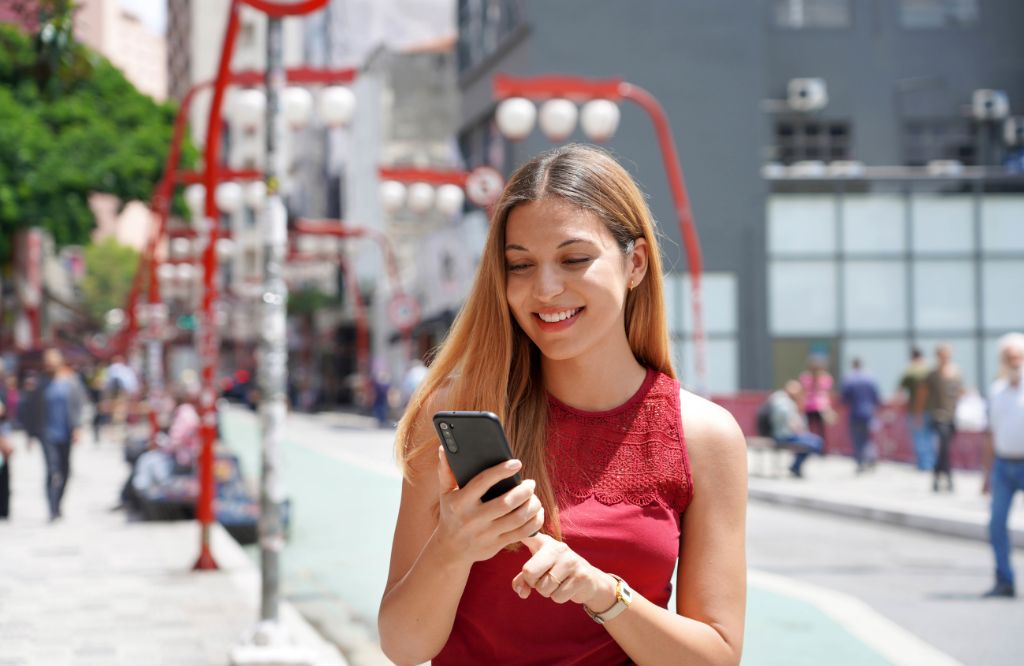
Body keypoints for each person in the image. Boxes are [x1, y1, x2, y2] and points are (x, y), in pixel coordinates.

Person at [378, 145, 747, 665]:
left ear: (635, 263)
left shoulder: (705, 437)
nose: (545, 289)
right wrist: (453, 544)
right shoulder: (453, 411)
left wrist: (604, 594)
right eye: (520, 265)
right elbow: (402, 644)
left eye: (574, 259)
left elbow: (716, 658)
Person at [982, 332, 1024, 598]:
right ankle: (1004, 579)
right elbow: (991, 434)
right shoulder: (997, 391)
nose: (1015, 362)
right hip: (1003, 464)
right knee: (996, 524)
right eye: (1010, 357)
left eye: (1018, 356)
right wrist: (985, 475)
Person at [24, 349, 87, 521]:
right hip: (46, 433)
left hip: (65, 432)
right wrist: (29, 434)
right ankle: (52, 508)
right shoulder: (39, 384)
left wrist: (78, 427)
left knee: (66, 470)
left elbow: (78, 405)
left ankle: (58, 503)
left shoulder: (71, 382)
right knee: (52, 471)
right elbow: (31, 410)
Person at [917, 343, 964, 493]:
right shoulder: (932, 374)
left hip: (952, 415)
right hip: (937, 415)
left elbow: (959, 391)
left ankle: (937, 477)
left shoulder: (955, 372)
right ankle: (948, 477)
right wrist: (919, 414)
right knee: (943, 446)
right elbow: (922, 394)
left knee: (945, 449)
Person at [766, 380, 824, 478]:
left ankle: (796, 466)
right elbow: (786, 421)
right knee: (814, 442)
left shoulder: (787, 401)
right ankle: (795, 466)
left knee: (816, 442)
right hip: (784, 436)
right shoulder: (782, 402)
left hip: (789, 434)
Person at [841, 358, 881, 473]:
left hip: (855, 413)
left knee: (857, 439)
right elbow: (876, 396)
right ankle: (871, 457)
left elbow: (844, 398)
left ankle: (860, 462)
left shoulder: (849, 379)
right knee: (868, 438)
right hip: (869, 412)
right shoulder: (870, 378)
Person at [898, 347, 934, 471]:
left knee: (919, 437)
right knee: (929, 438)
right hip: (931, 410)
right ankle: (930, 463)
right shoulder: (929, 369)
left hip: (915, 410)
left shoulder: (911, 370)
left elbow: (900, 389)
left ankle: (924, 464)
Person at [799, 354, 834, 453]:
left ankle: (821, 449)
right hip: (810, 406)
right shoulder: (806, 377)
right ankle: (811, 448)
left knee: (821, 430)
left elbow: (826, 392)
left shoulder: (825, 378)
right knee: (810, 430)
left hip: (819, 406)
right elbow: (803, 392)